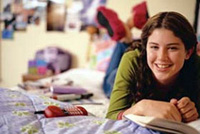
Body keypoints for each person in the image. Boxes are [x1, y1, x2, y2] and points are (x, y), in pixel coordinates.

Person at [106, 11, 200, 123]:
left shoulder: (196, 66)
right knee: (109, 80)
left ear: (188, 52)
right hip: (127, 72)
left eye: (172, 48)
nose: (162, 57)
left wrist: (193, 111)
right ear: (145, 48)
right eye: (154, 47)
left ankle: (126, 36)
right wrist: (142, 107)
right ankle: (123, 40)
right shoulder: (132, 59)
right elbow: (111, 116)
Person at [96, 1, 149, 97]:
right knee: (128, 48)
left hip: (114, 87)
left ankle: (125, 34)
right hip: (133, 78)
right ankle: (127, 31)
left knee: (112, 77)